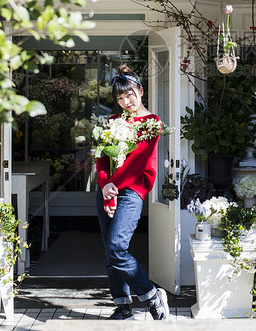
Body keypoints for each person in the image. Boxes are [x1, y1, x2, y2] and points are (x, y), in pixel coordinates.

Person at [95, 64, 170, 320]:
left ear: (140, 90)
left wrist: (112, 189)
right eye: (119, 98)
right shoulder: (112, 121)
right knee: (109, 252)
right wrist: (104, 185)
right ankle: (123, 305)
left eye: (129, 95)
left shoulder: (152, 123)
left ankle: (151, 295)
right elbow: (102, 158)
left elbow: (137, 162)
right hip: (107, 190)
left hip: (130, 192)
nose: (125, 102)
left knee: (117, 246)